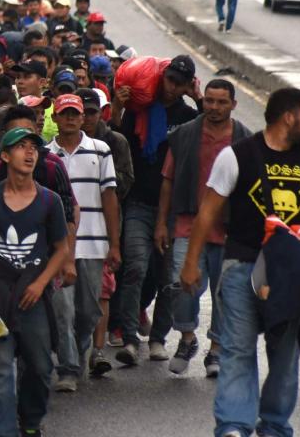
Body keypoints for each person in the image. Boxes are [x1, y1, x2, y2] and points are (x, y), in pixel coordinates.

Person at [180, 88, 300, 437]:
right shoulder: (237, 155)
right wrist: (190, 262)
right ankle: (234, 427)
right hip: (241, 265)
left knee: (285, 356)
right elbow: (207, 212)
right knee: (237, 349)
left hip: (290, 274)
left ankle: (274, 425)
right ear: (288, 117)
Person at [111, 55, 200, 367]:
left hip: (175, 210)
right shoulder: (140, 109)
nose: (173, 88)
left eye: (180, 83)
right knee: (135, 267)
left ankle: (159, 338)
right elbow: (118, 142)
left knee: (167, 277)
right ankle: (130, 338)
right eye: (170, 80)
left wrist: (200, 100)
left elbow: (209, 139)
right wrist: (119, 106)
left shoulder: (190, 116)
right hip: (139, 202)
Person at [159, 79, 250, 377]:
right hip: (188, 224)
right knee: (180, 285)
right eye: (209, 100)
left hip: (230, 230)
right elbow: (168, 180)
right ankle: (187, 338)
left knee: (226, 294)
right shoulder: (185, 135)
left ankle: (217, 350)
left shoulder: (247, 142)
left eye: (222, 102)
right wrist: (161, 222)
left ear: (233, 105)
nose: (214, 107)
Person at [0, 128, 70, 437]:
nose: (29, 153)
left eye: (33, 147)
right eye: (21, 147)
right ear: (5, 156)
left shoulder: (50, 201)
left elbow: (61, 249)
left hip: (35, 297)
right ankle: (2, 431)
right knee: (0, 370)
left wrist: (41, 283)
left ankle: (31, 421)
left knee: (40, 366)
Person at [46, 94, 122, 390]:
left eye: (74, 114)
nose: (69, 118)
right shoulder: (44, 154)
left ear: (83, 117)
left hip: (93, 243)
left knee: (89, 309)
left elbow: (109, 197)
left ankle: (76, 355)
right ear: (55, 118)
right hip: (59, 246)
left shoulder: (100, 150)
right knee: (62, 309)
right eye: (63, 113)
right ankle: (68, 368)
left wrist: (114, 243)